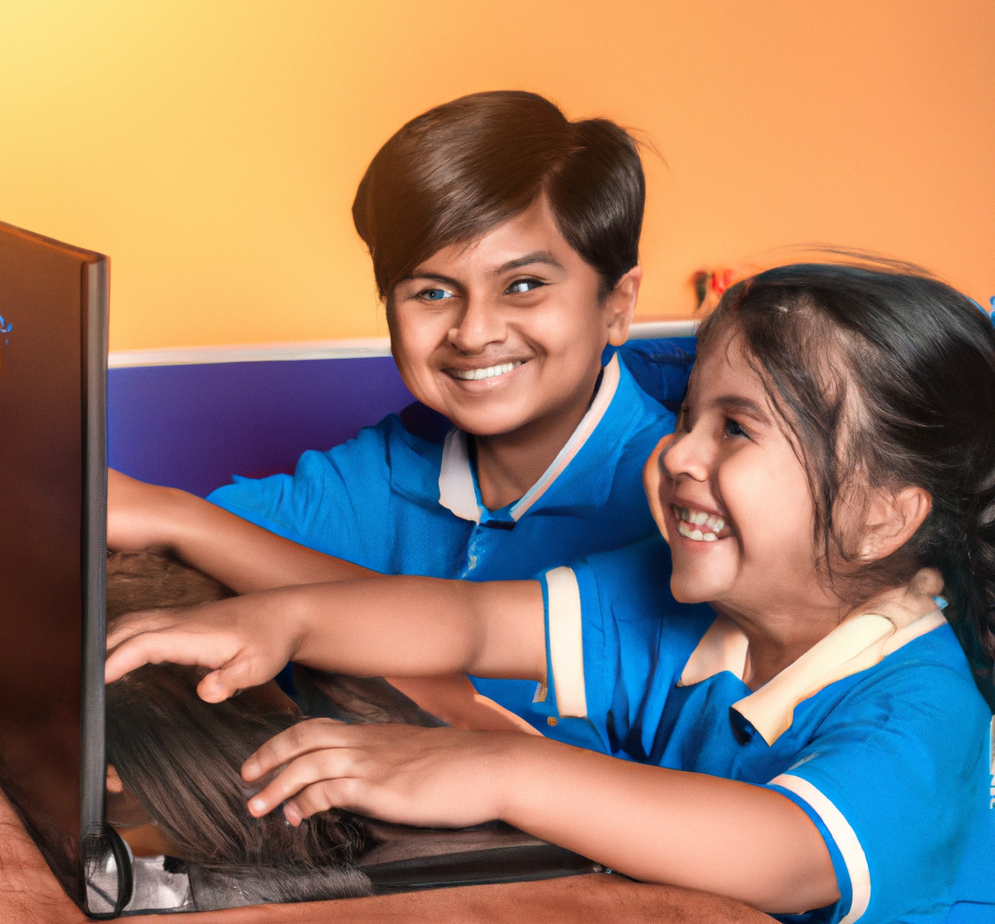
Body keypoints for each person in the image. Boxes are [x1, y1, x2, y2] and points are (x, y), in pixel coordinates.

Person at [108, 262, 995, 924]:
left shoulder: (923, 707)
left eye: (735, 429)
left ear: (879, 514)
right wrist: (288, 619)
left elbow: (784, 849)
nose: (679, 452)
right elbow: (470, 622)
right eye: (689, 415)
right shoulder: (675, 596)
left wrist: (493, 768)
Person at [109, 89, 681, 739]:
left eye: (523, 285)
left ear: (617, 305)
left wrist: (182, 520)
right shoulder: (391, 464)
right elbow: (195, 547)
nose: (474, 331)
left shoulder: (684, 499)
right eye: (432, 292)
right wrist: (171, 520)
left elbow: (487, 689)